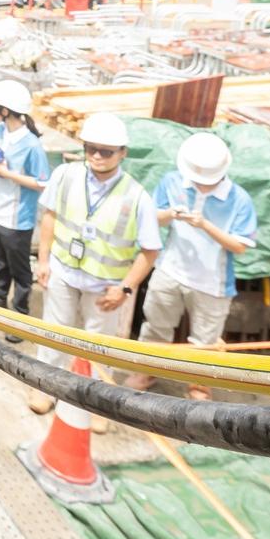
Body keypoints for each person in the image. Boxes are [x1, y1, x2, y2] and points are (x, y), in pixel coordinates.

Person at [27, 112, 161, 425]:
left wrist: (125, 288)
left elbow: (150, 250)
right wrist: (44, 260)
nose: (97, 157)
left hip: (105, 285)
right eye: (91, 149)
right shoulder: (66, 175)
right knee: (54, 332)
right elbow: (50, 216)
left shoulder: (137, 197)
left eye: (106, 151)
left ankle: (94, 403)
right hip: (64, 271)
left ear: (123, 153)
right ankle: (44, 388)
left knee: (98, 345)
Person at [126, 133, 257, 401]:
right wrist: (171, 213)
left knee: (205, 341)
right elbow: (155, 219)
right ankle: (147, 370)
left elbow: (240, 246)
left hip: (213, 282)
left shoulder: (239, 199)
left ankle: (198, 384)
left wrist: (206, 225)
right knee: (156, 326)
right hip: (170, 269)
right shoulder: (172, 181)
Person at [0, 80, 50, 339]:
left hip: (15, 216)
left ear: (5, 110)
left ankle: (19, 315)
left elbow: (42, 182)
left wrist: (5, 173)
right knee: (0, 258)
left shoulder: (31, 145)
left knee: (19, 269)